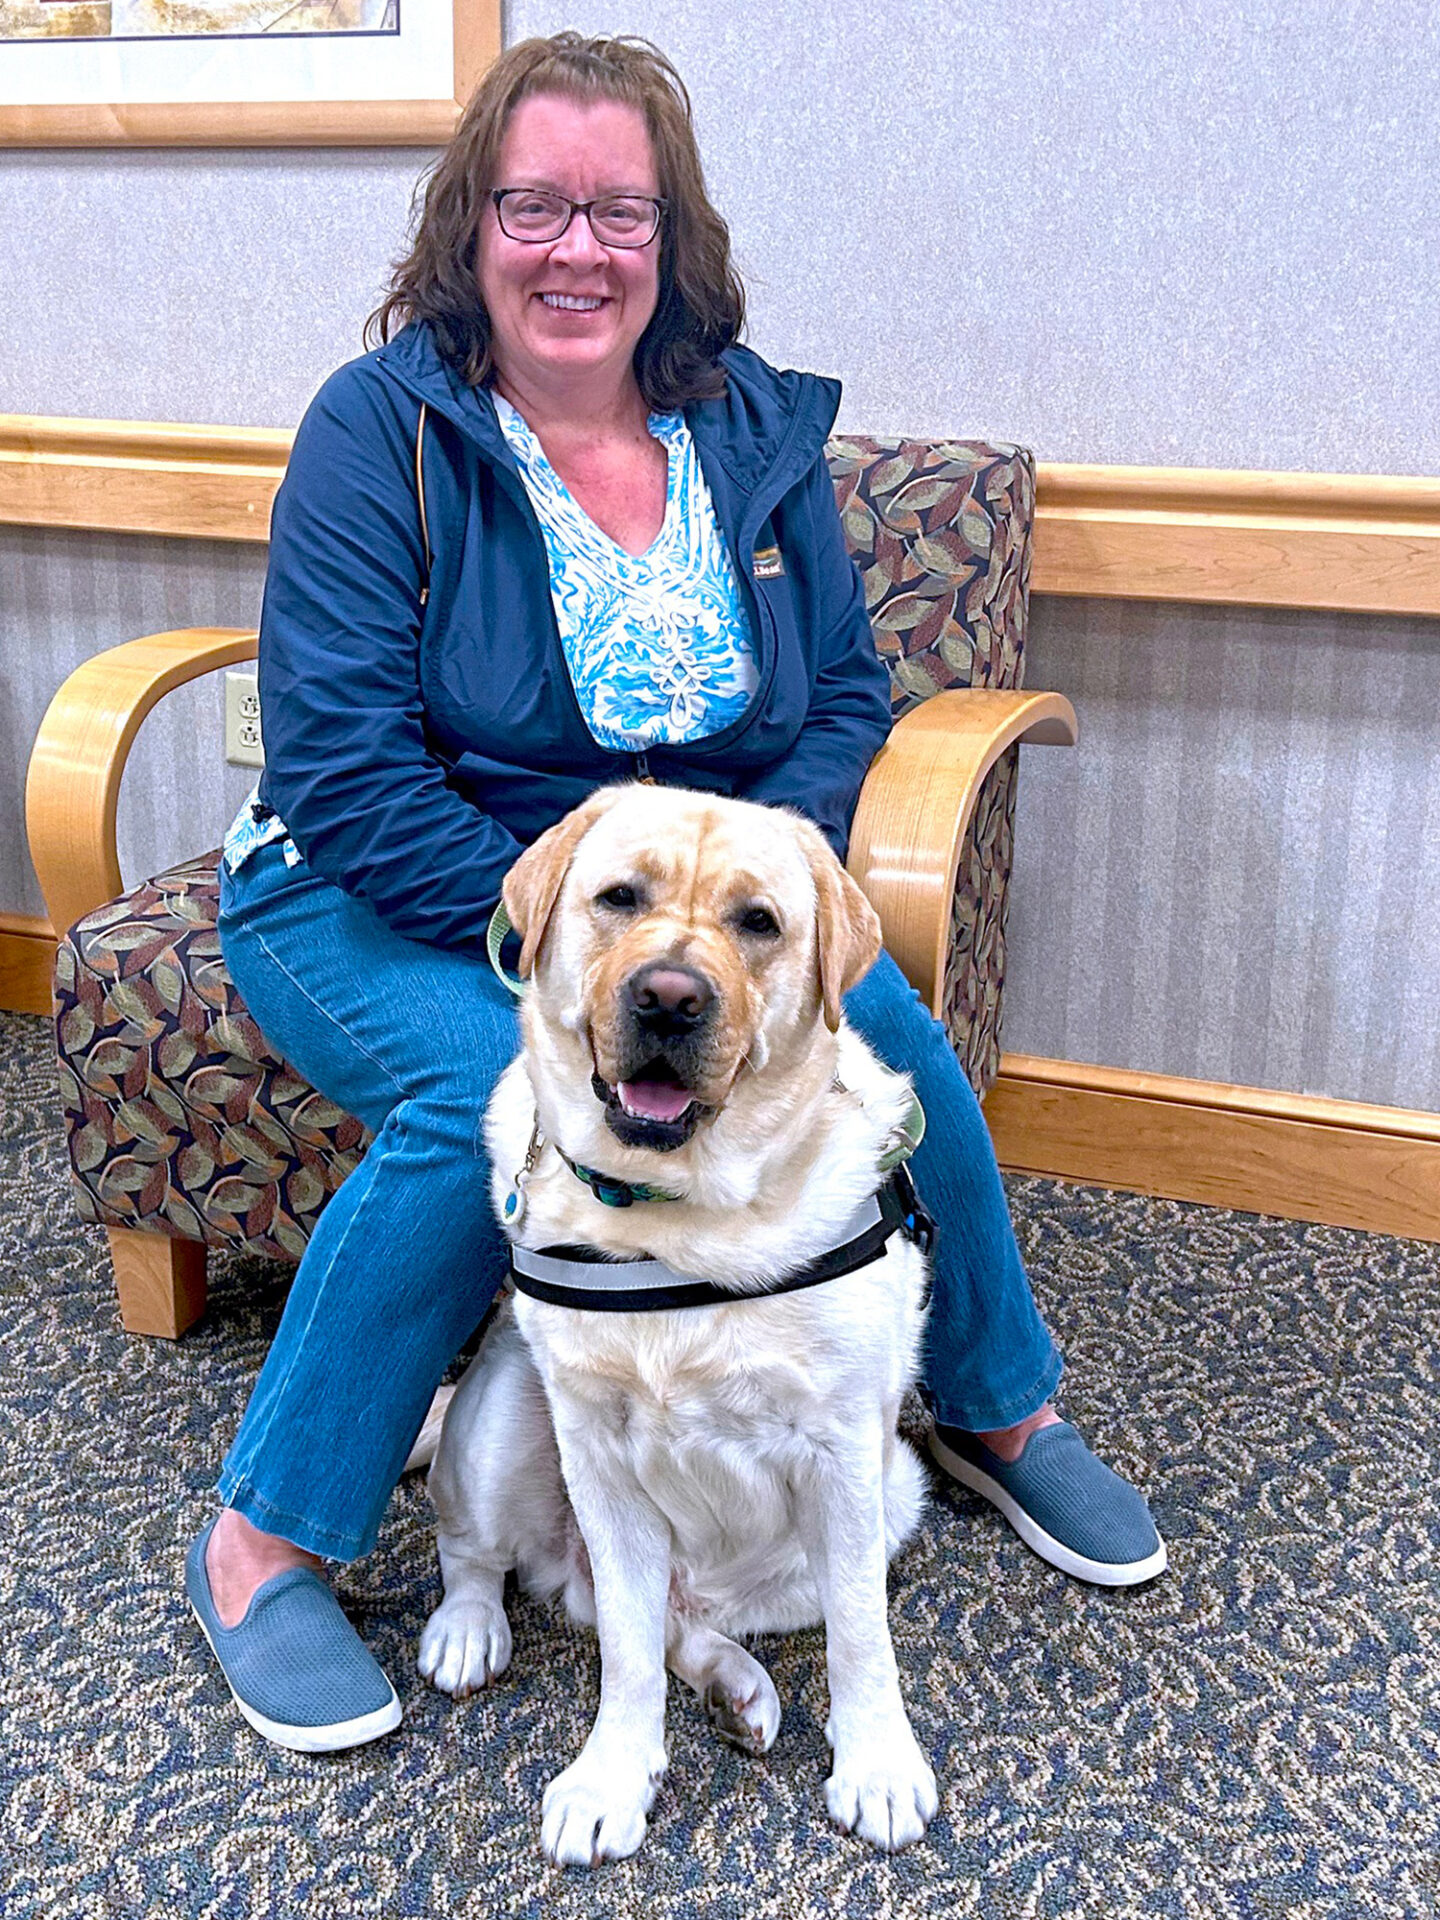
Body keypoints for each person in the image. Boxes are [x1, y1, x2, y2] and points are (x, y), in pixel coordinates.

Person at [190, 31, 1166, 1755]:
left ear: (673, 235)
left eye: (619, 211)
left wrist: (735, 912)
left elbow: (847, 697)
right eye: (535, 204)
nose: (578, 249)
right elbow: (343, 763)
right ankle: (263, 1538)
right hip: (378, 885)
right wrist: (572, 939)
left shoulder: (746, 427)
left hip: (677, 917)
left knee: (895, 1044)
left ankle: (998, 1410)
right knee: (479, 1100)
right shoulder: (385, 433)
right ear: (468, 225)